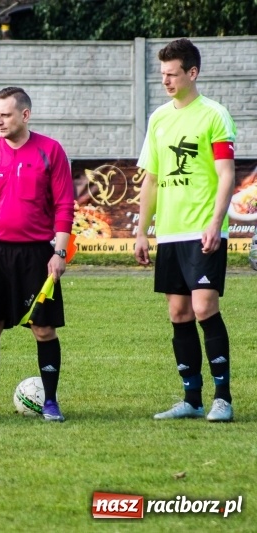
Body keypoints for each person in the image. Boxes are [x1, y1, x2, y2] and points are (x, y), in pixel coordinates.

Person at [135, 38, 237, 423]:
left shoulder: (214, 115)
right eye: (162, 73)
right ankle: (191, 399)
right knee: (178, 313)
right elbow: (151, 179)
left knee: (203, 306)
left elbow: (227, 175)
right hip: (171, 234)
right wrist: (143, 231)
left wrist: (216, 222)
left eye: (172, 73)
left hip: (203, 229)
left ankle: (222, 399)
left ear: (192, 73)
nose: (165, 80)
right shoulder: (159, 118)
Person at [0, 86, 74, 423]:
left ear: (24, 115)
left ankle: (51, 401)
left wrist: (59, 251)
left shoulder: (50, 151)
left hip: (36, 255)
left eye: (5, 114)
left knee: (43, 329)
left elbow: (65, 205)